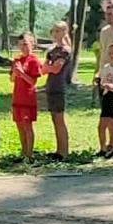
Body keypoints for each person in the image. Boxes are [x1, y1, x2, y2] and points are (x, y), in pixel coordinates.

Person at [43, 22, 76, 159]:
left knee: (59, 119)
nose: (55, 33)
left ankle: (64, 151)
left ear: (64, 31)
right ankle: (59, 150)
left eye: (58, 31)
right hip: (50, 86)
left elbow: (56, 68)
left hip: (59, 88)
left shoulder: (65, 50)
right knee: (54, 119)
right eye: (53, 31)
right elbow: (44, 68)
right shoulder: (52, 51)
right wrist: (49, 67)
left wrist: (49, 67)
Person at [9, 32, 43, 161]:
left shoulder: (33, 61)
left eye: (26, 44)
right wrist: (15, 72)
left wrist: (22, 73)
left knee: (27, 125)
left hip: (28, 97)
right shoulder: (17, 60)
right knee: (19, 125)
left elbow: (33, 82)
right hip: (17, 96)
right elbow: (12, 79)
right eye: (21, 45)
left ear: (32, 45)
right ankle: (23, 152)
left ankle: (30, 154)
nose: (23, 47)